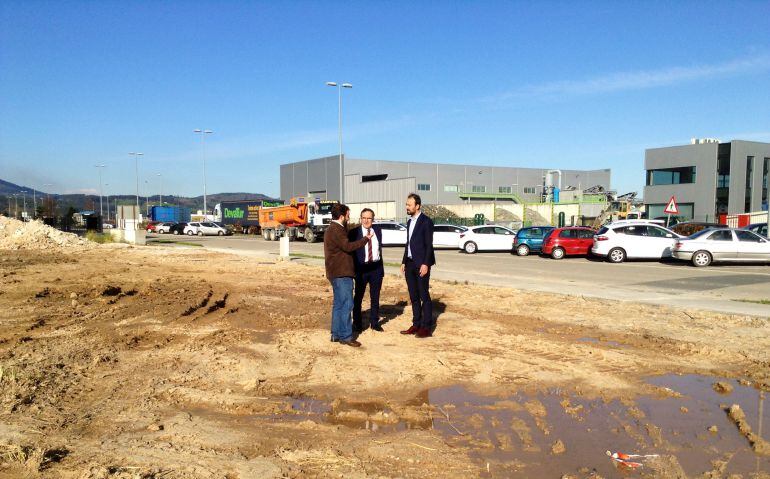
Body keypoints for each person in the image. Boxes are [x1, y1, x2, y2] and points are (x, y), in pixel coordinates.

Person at [324, 203, 372, 347]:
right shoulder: (337, 229)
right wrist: (366, 239)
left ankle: (336, 334)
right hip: (341, 272)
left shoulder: (333, 228)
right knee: (347, 304)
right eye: (348, 215)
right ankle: (346, 336)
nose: (349, 217)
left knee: (339, 304)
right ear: (341, 216)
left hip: (335, 272)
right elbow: (347, 246)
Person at [400, 193, 436, 338]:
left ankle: (426, 327)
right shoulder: (409, 222)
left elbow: (429, 245)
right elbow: (408, 244)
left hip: (421, 264)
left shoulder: (426, 222)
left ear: (417, 206)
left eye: (409, 204)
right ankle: (416, 324)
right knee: (414, 296)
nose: (407, 207)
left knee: (423, 296)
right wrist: (403, 261)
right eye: (406, 204)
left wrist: (426, 264)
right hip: (410, 263)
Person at [349, 208, 384, 332]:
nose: (366, 220)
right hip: (361, 269)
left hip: (376, 269)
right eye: (364, 218)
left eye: (369, 218)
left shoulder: (378, 231)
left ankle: (374, 323)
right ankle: (357, 324)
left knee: (375, 298)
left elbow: (379, 249)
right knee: (358, 298)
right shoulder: (354, 233)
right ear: (360, 218)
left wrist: (380, 269)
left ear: (373, 219)